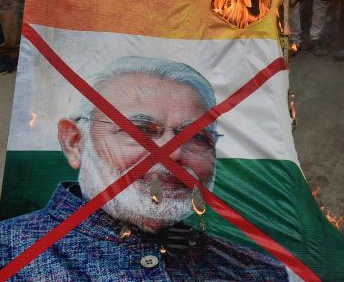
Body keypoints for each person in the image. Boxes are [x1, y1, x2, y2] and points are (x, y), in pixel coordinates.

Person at [0, 57, 294, 281]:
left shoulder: (256, 270)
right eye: (140, 130)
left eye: (197, 137)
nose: (174, 153)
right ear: (75, 143)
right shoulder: (8, 252)